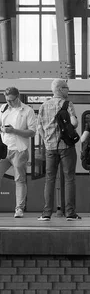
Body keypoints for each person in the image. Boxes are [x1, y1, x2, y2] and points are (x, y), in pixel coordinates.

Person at [37, 79, 80, 221]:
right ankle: (70, 213)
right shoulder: (67, 104)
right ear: (60, 89)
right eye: (66, 88)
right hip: (66, 147)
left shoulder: (44, 105)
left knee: (49, 179)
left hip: (50, 148)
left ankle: (46, 213)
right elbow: (74, 123)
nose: (68, 90)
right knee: (69, 179)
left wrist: (47, 141)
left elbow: (40, 128)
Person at [0, 87, 37, 218]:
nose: (8, 103)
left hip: (19, 150)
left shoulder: (28, 111)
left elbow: (32, 132)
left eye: (11, 100)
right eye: (7, 100)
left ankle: (19, 209)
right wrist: (3, 129)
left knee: (19, 180)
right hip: (4, 149)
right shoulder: (2, 109)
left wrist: (14, 131)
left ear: (18, 97)